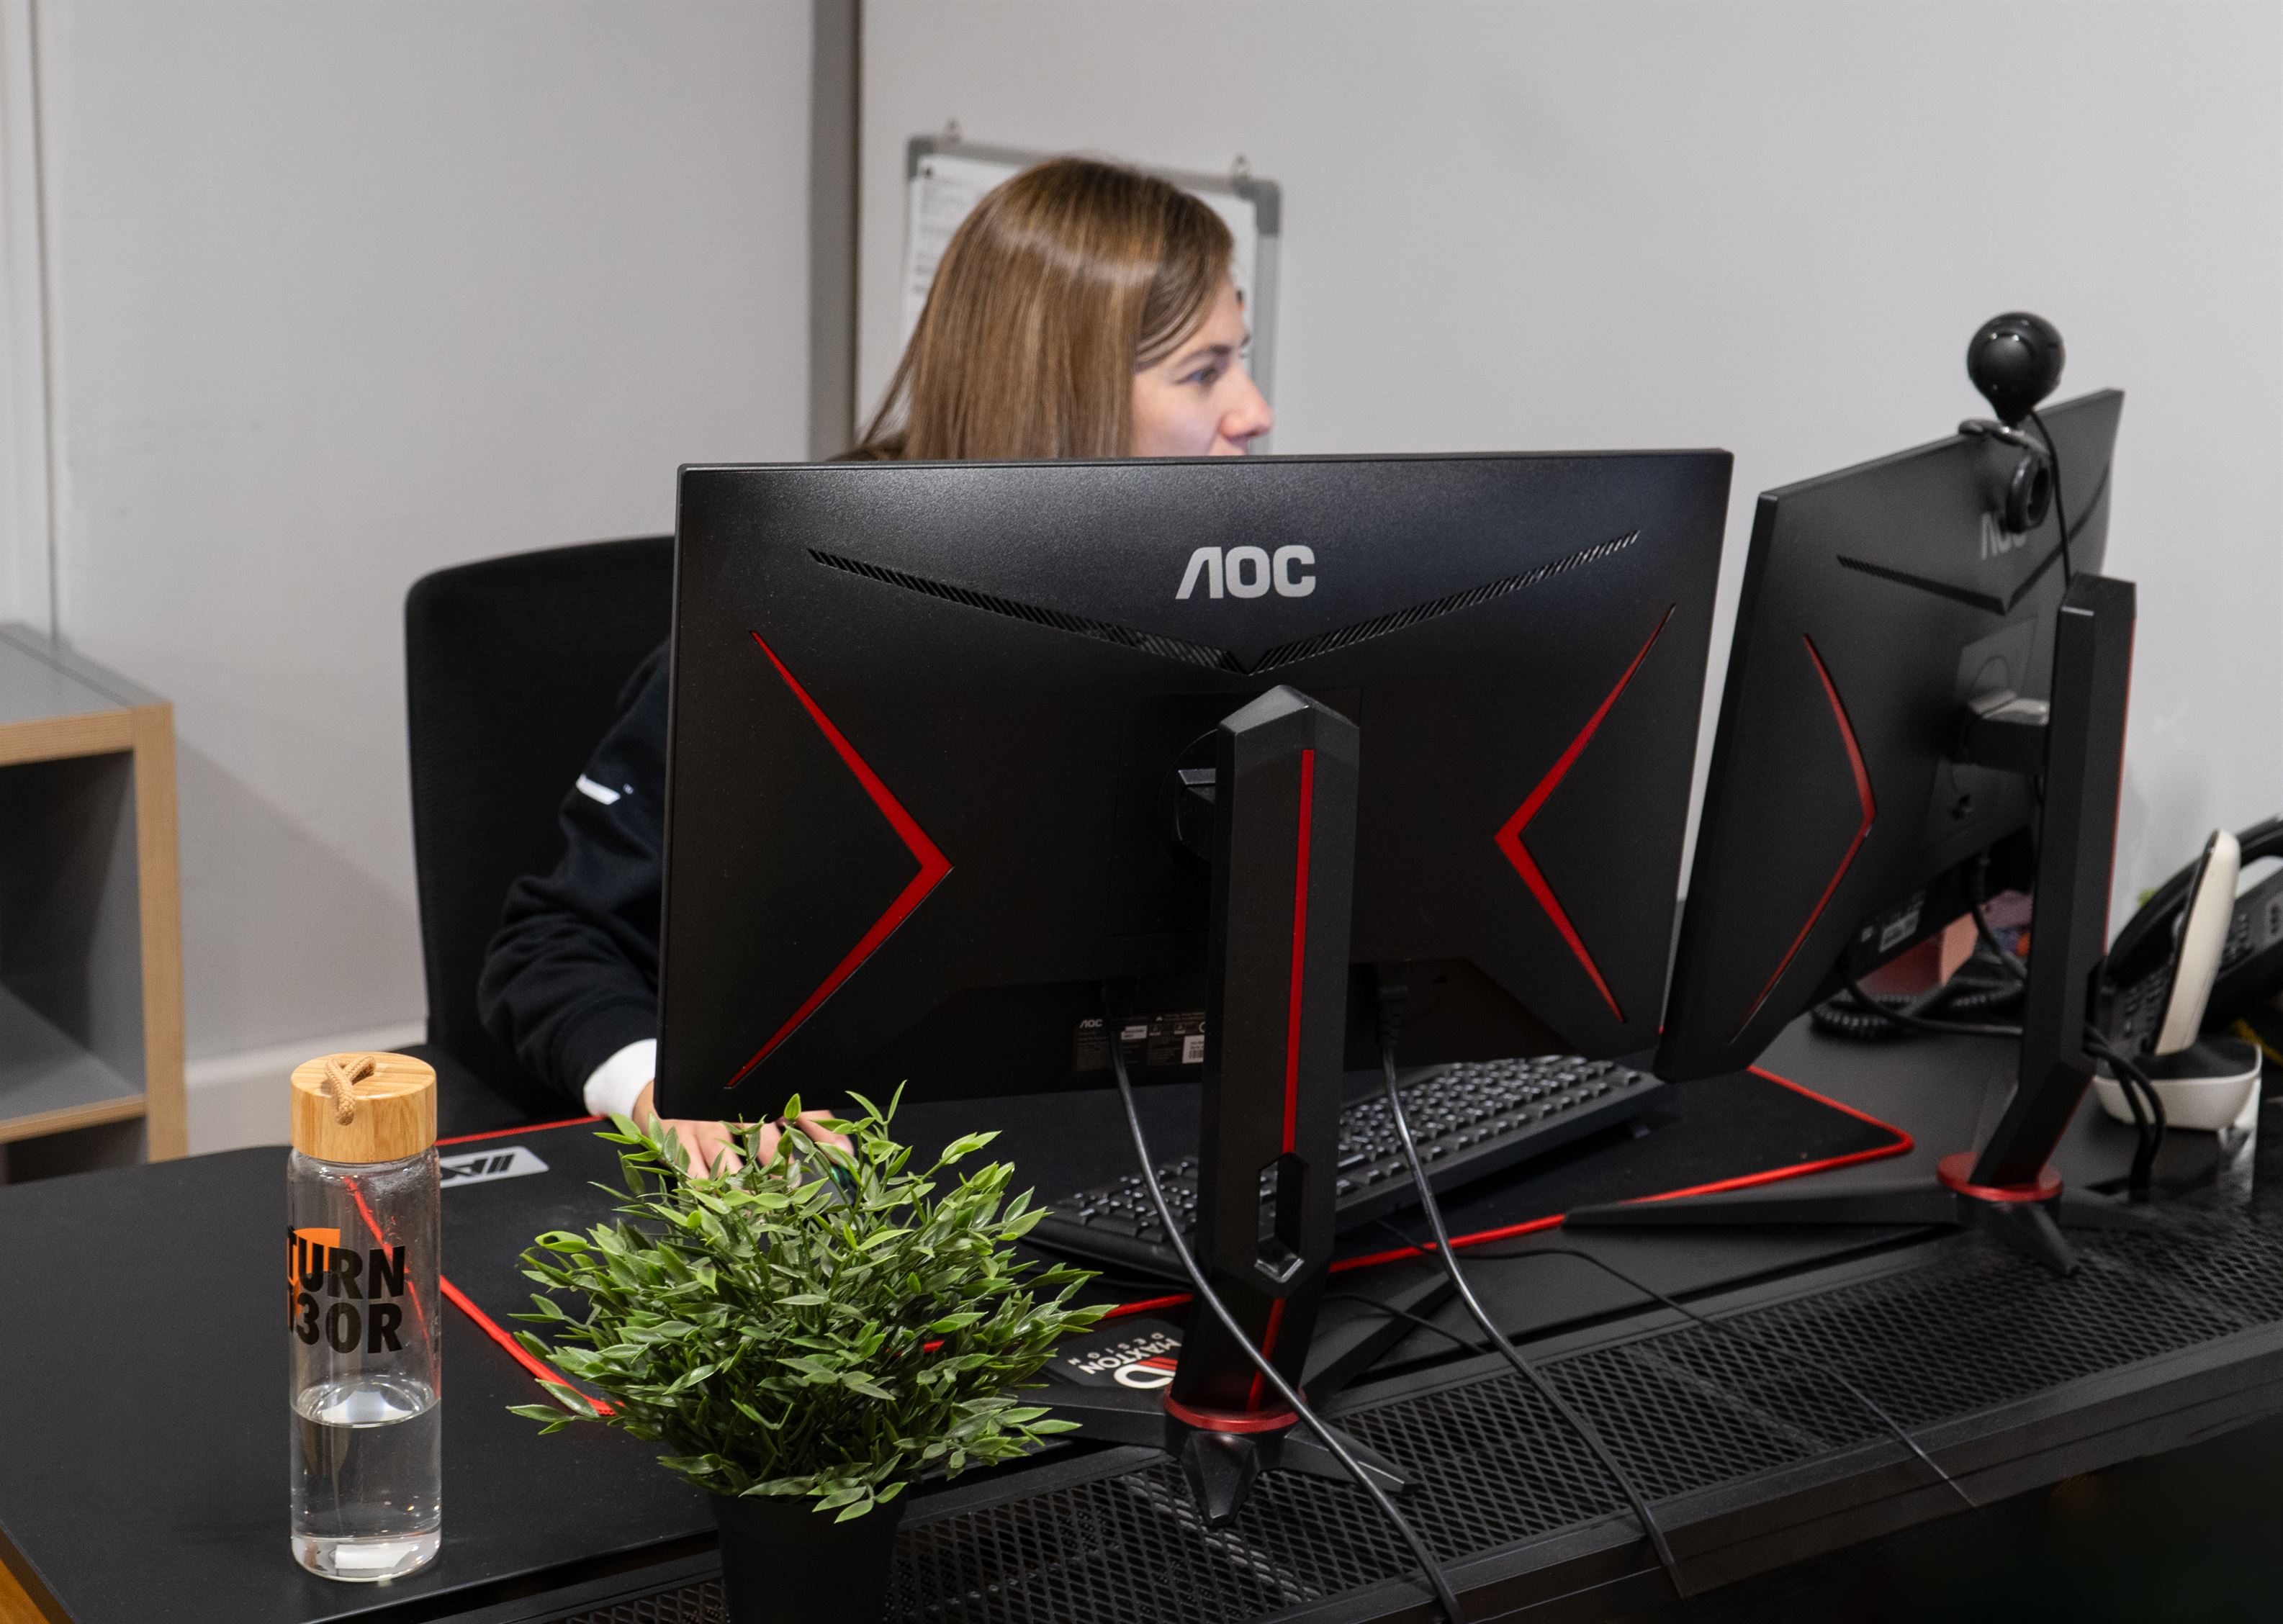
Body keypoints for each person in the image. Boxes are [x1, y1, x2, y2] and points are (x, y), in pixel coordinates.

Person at [477, 157, 1272, 1173]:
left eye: (1242, 360)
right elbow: (552, 948)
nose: (1255, 409)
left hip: (1127, 1138)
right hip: (872, 1175)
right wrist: (659, 1091)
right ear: (1062, 385)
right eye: (1205, 372)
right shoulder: (801, 615)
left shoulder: (1221, 608)